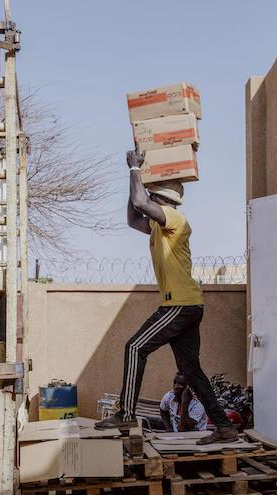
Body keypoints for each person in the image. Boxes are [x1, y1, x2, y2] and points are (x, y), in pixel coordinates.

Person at [95, 149, 238, 444]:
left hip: (181, 304)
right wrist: (133, 176)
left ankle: (125, 414)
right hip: (187, 305)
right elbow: (133, 217)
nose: (148, 202)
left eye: (152, 197)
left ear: (163, 201)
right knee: (190, 370)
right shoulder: (158, 229)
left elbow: (139, 202)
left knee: (135, 347)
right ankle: (224, 427)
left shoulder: (176, 219)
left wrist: (136, 170)